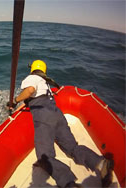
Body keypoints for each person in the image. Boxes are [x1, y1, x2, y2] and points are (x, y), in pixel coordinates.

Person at [7, 60, 114, 188]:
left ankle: (68, 184)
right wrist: (20, 105)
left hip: (44, 118)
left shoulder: (31, 78)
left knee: (45, 156)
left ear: (33, 69)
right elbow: (33, 98)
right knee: (72, 148)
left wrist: (14, 100)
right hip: (57, 115)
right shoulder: (44, 83)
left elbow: (30, 90)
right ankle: (101, 163)